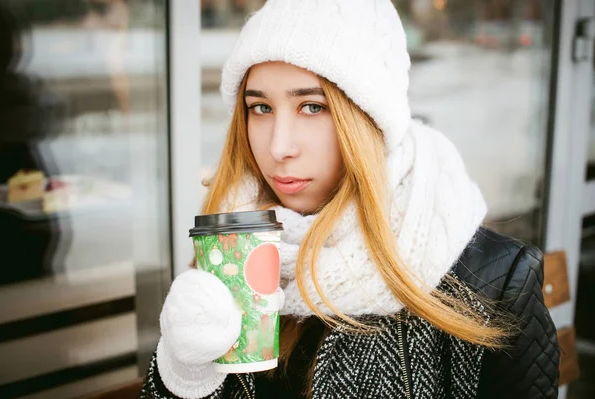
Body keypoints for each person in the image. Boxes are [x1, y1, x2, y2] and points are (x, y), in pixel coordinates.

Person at [140, 1, 559, 398]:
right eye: (261, 108)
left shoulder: (493, 280)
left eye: (312, 107)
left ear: (370, 119)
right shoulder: (234, 238)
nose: (279, 146)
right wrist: (184, 375)